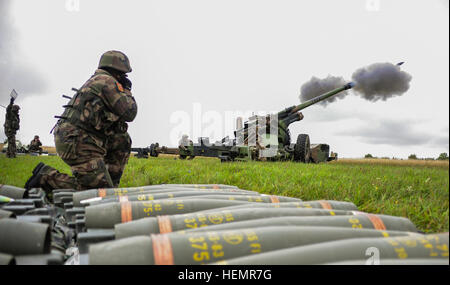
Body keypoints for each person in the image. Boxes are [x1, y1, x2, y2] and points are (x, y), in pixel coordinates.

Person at [25, 50, 137, 192]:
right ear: (117, 72)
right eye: (123, 75)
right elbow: (130, 112)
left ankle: (109, 185)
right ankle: (46, 178)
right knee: (100, 192)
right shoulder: (106, 82)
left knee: (122, 139)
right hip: (77, 140)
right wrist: (127, 90)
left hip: (80, 139)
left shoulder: (98, 81)